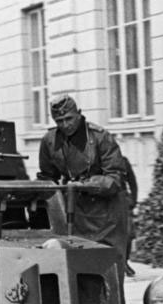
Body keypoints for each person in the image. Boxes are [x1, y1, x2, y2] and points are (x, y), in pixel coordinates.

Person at [37, 95, 130, 261]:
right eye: (59, 121)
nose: (65, 125)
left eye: (69, 119)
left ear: (79, 114)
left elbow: (115, 179)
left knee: (108, 270)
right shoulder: (49, 141)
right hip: (75, 215)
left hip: (107, 218)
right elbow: (46, 178)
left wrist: (85, 185)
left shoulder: (101, 138)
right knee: (77, 271)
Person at [122, 156, 138, 277]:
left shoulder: (122, 161)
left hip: (123, 202)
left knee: (127, 234)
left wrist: (133, 200)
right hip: (105, 204)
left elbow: (132, 182)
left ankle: (125, 262)